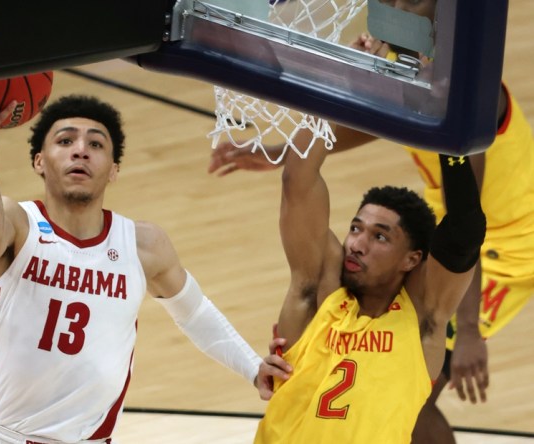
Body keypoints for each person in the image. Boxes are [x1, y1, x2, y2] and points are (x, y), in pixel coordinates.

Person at [210, 3, 534, 443]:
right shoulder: (319, 288)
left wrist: (472, 332)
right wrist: (344, 80)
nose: (394, 7)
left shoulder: (471, 90)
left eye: (408, 2)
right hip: (452, 218)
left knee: (422, 387)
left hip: (514, 240)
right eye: (357, 229)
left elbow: (464, 223)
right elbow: (369, 126)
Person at [0, 84, 291, 444]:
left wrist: (253, 368)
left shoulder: (142, 245)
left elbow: (195, 313)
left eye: (96, 144)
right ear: (39, 161)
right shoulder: (19, 222)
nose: (80, 150)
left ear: (113, 169)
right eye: (65, 141)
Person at [241, 117, 486, 442]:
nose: (357, 243)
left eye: (380, 237)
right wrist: (330, 91)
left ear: (412, 259)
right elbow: (298, 179)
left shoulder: (421, 321)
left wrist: (449, 142)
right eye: (355, 228)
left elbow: (463, 232)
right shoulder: (317, 294)